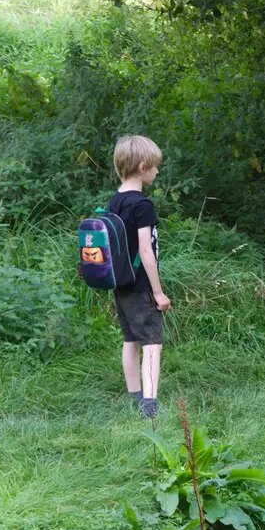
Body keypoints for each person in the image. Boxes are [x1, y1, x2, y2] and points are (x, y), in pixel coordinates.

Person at [109, 135, 171, 419]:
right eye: (156, 167)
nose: (157, 172)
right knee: (152, 342)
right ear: (143, 166)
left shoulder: (114, 202)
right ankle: (150, 403)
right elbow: (146, 250)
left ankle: (135, 393)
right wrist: (158, 292)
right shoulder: (142, 205)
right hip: (141, 285)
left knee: (129, 339)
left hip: (119, 283)